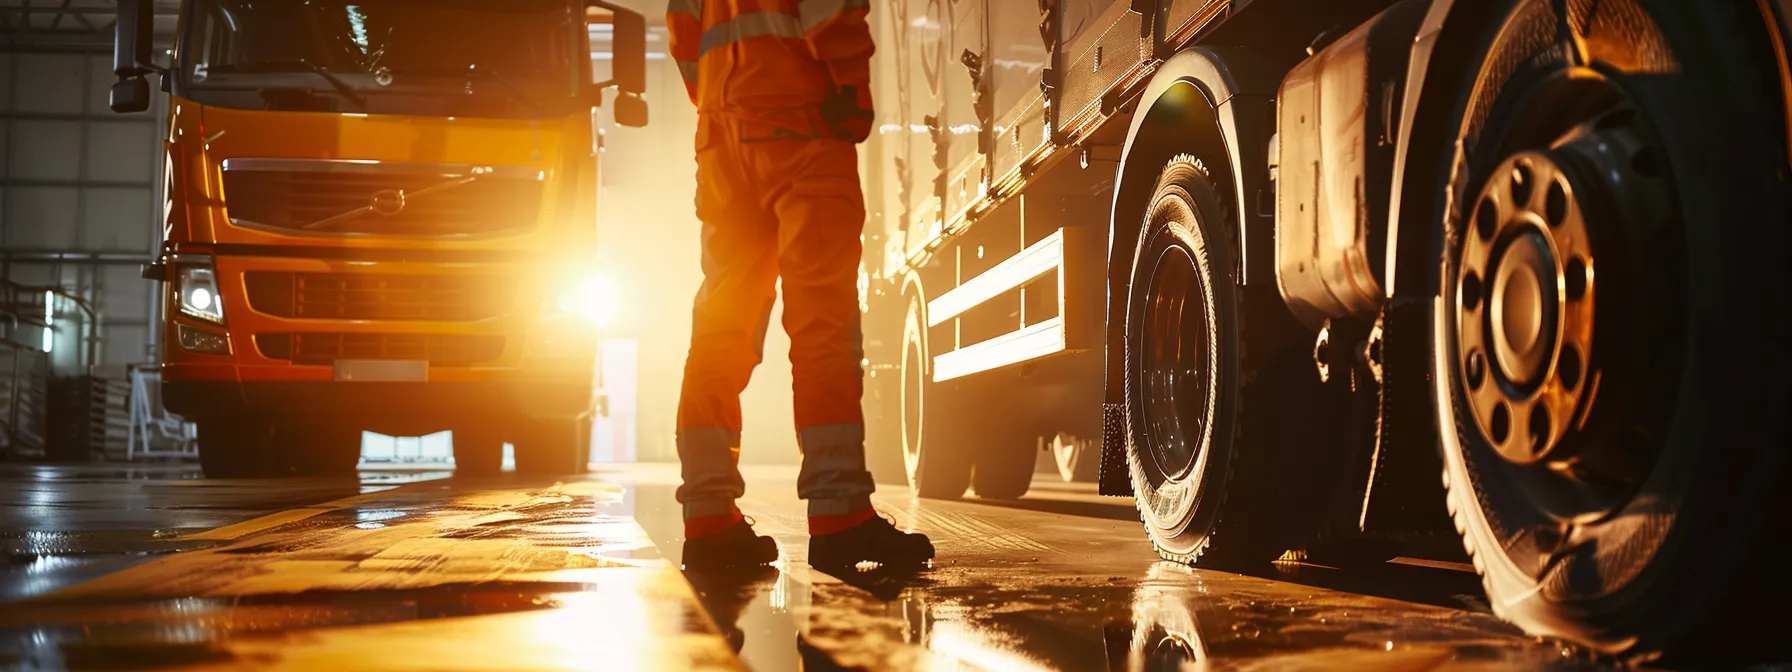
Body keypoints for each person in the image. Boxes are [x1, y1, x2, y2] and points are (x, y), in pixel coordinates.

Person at [666, 0, 934, 572]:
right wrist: (850, 86)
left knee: (719, 331)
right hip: (802, 129)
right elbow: (829, 11)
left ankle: (709, 520)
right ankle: (839, 517)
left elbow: (684, 37)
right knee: (822, 329)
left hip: (722, 142)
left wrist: (722, 99)